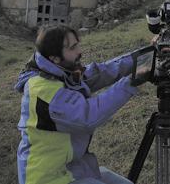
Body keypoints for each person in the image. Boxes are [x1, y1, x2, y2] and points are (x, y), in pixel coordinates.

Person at [14, 25, 143, 184]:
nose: (79, 51)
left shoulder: (61, 71)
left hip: (70, 169)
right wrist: (133, 80)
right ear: (54, 57)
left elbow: (102, 72)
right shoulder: (41, 88)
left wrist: (146, 55)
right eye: (73, 47)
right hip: (47, 178)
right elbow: (87, 116)